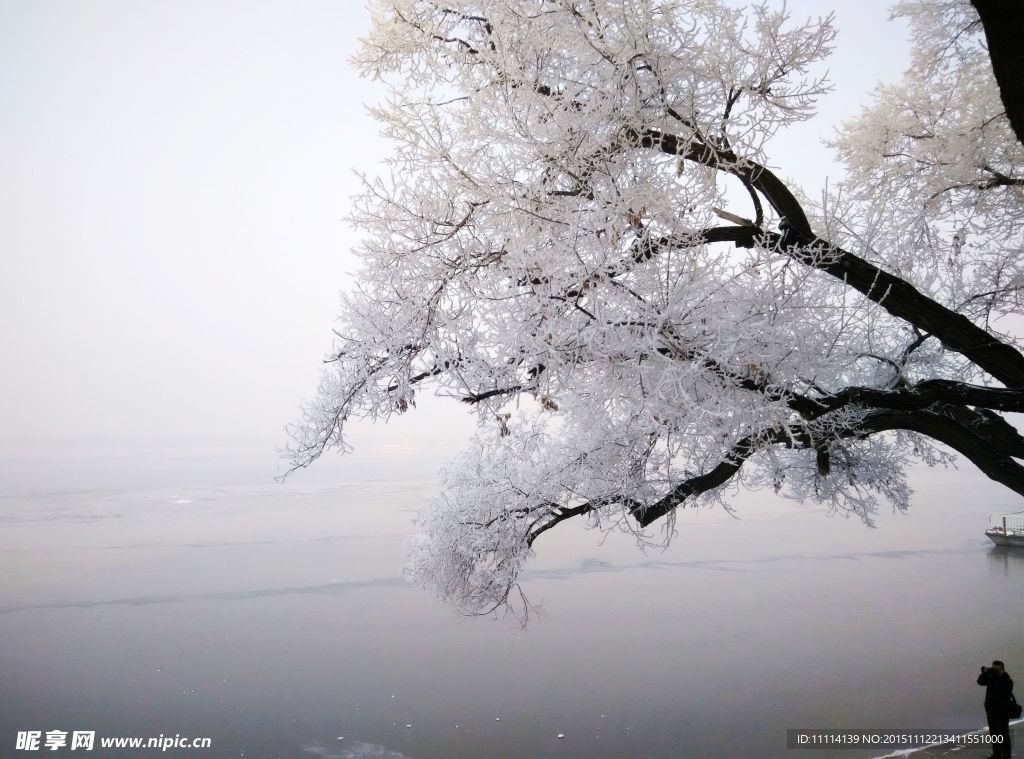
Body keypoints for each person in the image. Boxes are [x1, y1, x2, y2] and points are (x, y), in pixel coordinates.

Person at [978, 660, 1014, 759]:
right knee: (994, 734)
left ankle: (1006, 756)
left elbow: (1002, 689)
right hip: (991, 711)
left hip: (1003, 712)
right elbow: (980, 682)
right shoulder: (991, 678)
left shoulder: (1007, 680)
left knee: (1004, 734)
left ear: (1001, 670)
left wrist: (993, 676)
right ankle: (997, 754)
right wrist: (985, 673)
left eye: (995, 669)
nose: (993, 671)